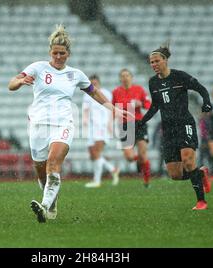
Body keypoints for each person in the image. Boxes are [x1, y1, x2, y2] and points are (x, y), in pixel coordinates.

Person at [7, 25, 129, 223]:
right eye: (55, 53)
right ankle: (52, 203)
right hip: (38, 125)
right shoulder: (37, 67)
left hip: (63, 124)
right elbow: (12, 83)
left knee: (53, 163)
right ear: (50, 52)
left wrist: (113, 109)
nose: (58, 57)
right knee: (42, 172)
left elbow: (94, 92)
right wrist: (20, 82)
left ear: (68, 54)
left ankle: (44, 207)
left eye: (62, 53)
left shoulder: (76, 74)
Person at [138, 41, 212, 210]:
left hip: (184, 124)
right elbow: (155, 106)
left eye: (157, 61)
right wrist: (142, 121)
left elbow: (201, 88)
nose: (154, 65)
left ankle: (201, 201)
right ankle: (200, 174)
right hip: (168, 129)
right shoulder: (153, 83)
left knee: (187, 160)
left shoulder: (180, 76)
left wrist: (206, 103)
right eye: (151, 62)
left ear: (165, 61)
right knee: (176, 175)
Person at [112, 69, 152, 187]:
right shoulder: (116, 92)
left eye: (127, 75)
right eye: (123, 76)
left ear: (131, 77)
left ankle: (146, 180)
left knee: (143, 153)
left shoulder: (139, 89)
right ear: (120, 79)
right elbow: (113, 107)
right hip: (125, 125)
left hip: (139, 122)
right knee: (129, 157)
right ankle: (141, 163)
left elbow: (148, 104)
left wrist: (141, 104)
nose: (125, 78)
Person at [82, 74, 120, 188]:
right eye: (91, 84)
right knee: (92, 154)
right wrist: (84, 120)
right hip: (91, 128)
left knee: (97, 152)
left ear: (99, 83)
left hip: (102, 127)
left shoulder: (105, 93)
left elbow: (110, 109)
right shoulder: (87, 95)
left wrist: (110, 122)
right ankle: (113, 169)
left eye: (95, 83)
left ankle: (97, 181)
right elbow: (86, 109)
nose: (93, 86)